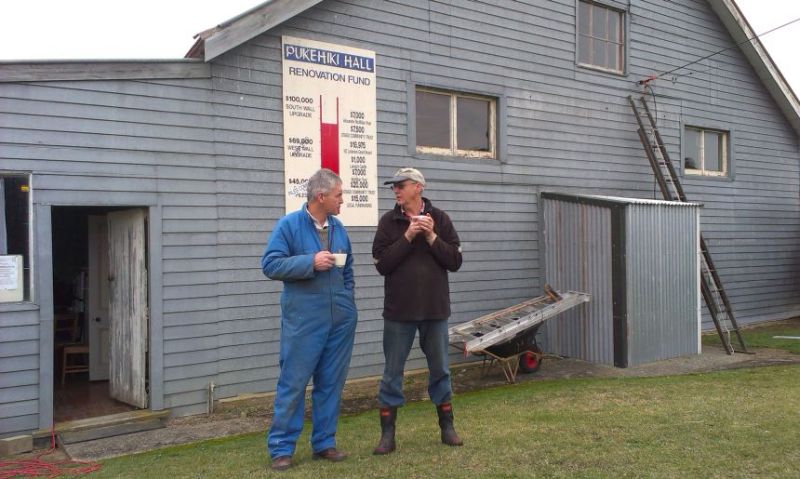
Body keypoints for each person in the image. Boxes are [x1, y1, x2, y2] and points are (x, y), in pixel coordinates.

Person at [261, 168, 358, 471]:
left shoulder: (339, 228)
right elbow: (271, 264)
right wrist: (310, 262)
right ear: (321, 196)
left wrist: (347, 303)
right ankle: (281, 448)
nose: (343, 200)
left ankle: (324, 444)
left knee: (331, 383)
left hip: (340, 320)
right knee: (293, 382)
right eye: (339, 195)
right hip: (304, 319)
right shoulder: (288, 226)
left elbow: (349, 271)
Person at [371, 167, 464, 455]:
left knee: (440, 371)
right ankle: (388, 436)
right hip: (399, 312)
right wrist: (409, 236)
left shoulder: (442, 219)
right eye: (394, 187)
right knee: (392, 373)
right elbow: (382, 264)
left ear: (418, 188)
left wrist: (433, 237)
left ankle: (447, 428)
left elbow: (455, 261)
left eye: (401, 186)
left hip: (435, 311)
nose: (395, 190)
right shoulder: (389, 222)